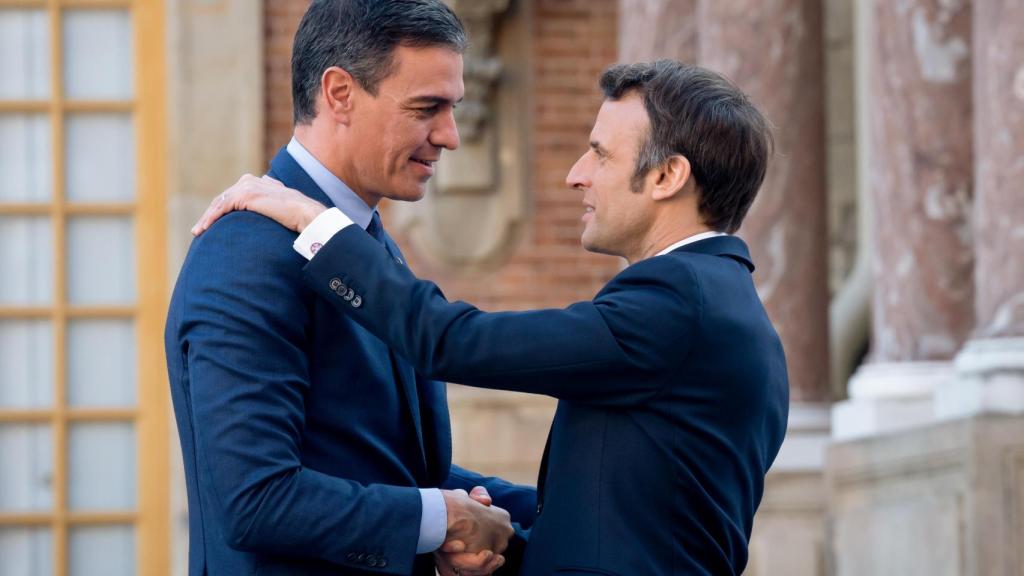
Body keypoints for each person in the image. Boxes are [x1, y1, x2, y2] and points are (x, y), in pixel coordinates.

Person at [197, 60, 790, 575]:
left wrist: (320, 224)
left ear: (667, 177)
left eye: (601, 154)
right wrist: (478, 525)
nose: (576, 173)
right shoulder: (713, 301)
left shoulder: (678, 305)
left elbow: (451, 341)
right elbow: (622, 520)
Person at [166, 1, 536, 575]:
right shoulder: (244, 253)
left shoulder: (366, 241)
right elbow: (256, 500)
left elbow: (387, 464)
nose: (451, 135)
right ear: (339, 93)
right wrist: (442, 517)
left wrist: (572, 517)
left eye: (453, 107)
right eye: (426, 108)